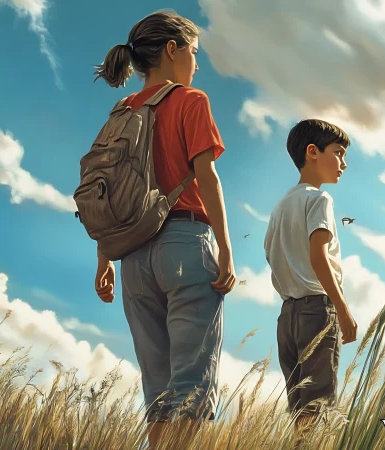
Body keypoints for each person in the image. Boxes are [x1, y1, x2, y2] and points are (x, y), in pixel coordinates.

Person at [91, 10, 235, 449]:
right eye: (193, 51)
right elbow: (206, 177)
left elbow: (105, 187)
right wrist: (226, 249)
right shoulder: (191, 101)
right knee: (191, 385)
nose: (196, 62)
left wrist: (105, 257)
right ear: (172, 50)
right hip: (184, 245)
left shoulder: (122, 109)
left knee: (157, 390)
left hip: (132, 256)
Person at [264, 119, 358, 445]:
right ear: (312, 152)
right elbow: (319, 257)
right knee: (317, 402)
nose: (344, 163)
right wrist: (342, 309)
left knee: (299, 404)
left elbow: (272, 256)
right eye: (339, 153)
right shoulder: (320, 200)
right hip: (317, 310)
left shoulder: (279, 207)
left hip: (286, 316)